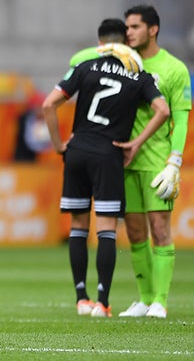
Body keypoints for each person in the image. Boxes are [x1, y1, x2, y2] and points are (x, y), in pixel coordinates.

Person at [42, 18, 170, 318]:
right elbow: (162, 110)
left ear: (101, 44)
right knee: (107, 230)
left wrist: (59, 144)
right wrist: (136, 142)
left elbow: (48, 105)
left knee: (77, 225)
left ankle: (81, 298)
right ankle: (103, 302)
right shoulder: (139, 75)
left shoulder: (85, 66)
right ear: (125, 42)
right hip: (108, 154)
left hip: (77, 151)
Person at [118, 5, 192, 319]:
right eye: (127, 28)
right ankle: (145, 299)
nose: (129, 32)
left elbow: (181, 119)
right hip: (124, 162)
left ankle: (161, 300)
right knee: (135, 234)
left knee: (160, 230)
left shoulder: (174, 69)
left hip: (156, 163)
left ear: (153, 29)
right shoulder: (121, 64)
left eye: (135, 27)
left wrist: (174, 163)